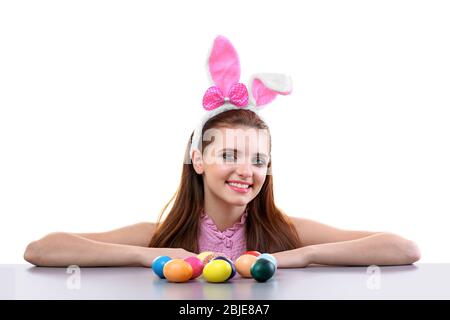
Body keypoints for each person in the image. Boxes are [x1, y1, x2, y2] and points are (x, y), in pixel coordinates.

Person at [23, 36, 420, 268]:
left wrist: (300, 256)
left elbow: (403, 248)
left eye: (258, 159)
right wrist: (150, 257)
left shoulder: (285, 232)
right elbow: (41, 250)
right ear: (198, 159)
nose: (246, 170)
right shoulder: (162, 237)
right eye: (229, 155)